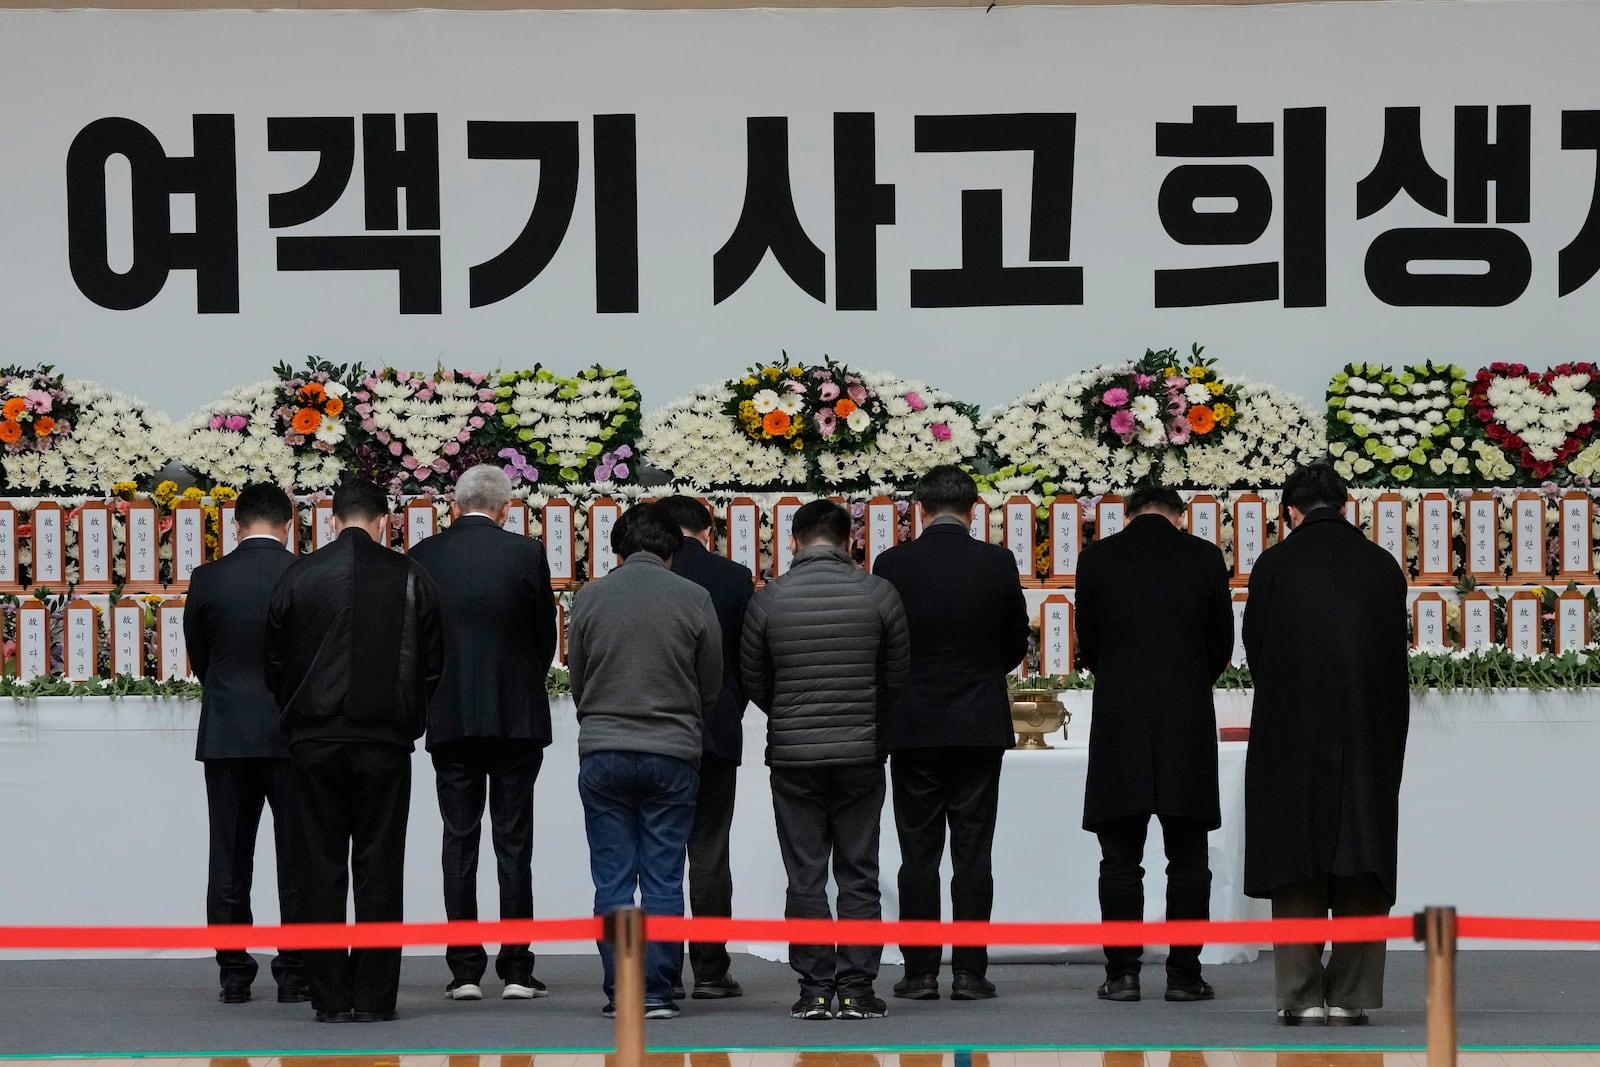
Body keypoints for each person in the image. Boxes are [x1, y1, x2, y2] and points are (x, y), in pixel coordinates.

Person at [265, 479, 444, 1024]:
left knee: (317, 863)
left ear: (331, 519)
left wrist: (299, 721)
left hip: (313, 740)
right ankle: (373, 997)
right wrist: (407, 720)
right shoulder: (411, 576)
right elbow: (433, 665)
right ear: (385, 520)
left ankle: (328, 997)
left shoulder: (299, 574)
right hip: (385, 741)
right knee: (380, 865)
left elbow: (273, 663)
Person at [1243, 462, 1409, 1027]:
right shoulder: (1381, 565)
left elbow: (1257, 653)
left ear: (1291, 511)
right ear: (1346, 505)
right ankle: (1352, 994)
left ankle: (1301, 995)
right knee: (1362, 852)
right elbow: (1394, 657)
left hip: (1291, 733)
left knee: (1295, 855)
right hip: (1369, 732)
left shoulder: (1274, 564)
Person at [741, 500, 910, 1022]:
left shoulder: (769, 600)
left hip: (793, 755)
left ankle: (815, 989)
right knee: (859, 870)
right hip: (861, 752)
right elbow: (897, 676)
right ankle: (858, 988)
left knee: (805, 873)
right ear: (850, 542)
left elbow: (753, 679)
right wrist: (863, 715)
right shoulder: (879, 593)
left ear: (793, 542)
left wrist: (792, 712)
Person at [870, 466, 1029, 1002]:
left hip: (913, 724)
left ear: (918, 508)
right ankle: (968, 971)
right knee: (972, 850)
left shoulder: (893, 563)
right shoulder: (996, 562)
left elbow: (883, 644)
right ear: (973, 508)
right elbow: (1013, 645)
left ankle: (918, 973)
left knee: (917, 852)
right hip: (979, 723)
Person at [1075, 485, 1232, 1005]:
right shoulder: (1205, 557)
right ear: (1179, 515)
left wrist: (1119, 675)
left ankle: (1122, 973)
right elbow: (1221, 644)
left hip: (1120, 716)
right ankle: (1185, 974)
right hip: (1185, 716)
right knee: (1188, 855)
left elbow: (1089, 640)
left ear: (1127, 513)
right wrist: (1188, 679)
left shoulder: (1097, 557)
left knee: (1119, 857)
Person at [567, 502, 722, 1021]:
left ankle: (622, 991)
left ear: (616, 549)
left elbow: (580, 678)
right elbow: (710, 682)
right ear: (672, 552)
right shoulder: (695, 597)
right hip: (673, 752)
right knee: (662, 877)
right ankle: (657, 992)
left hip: (605, 749)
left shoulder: (589, 598)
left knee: (612, 879)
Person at [409, 465, 558, 1003]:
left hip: (449, 716)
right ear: (505, 509)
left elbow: (416, 640)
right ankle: (517, 968)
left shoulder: (424, 556)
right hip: (514, 716)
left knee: (459, 838)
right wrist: (520, 680)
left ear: (453, 506)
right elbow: (545, 635)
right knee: (514, 841)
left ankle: (464, 969)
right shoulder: (526, 554)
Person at [182, 482, 307, 1007]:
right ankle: (295, 972)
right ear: (289, 523)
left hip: (228, 732)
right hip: (293, 733)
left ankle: (234, 973)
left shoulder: (208, 578)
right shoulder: (304, 574)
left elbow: (200, 655)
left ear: (235, 525)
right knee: (296, 856)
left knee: (229, 855)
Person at [659, 495, 754, 1001]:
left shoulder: (655, 575)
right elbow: (748, 658)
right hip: (717, 730)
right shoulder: (735, 578)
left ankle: (665, 972)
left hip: (660, 733)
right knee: (711, 852)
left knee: (662, 855)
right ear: (708, 531)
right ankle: (713, 971)